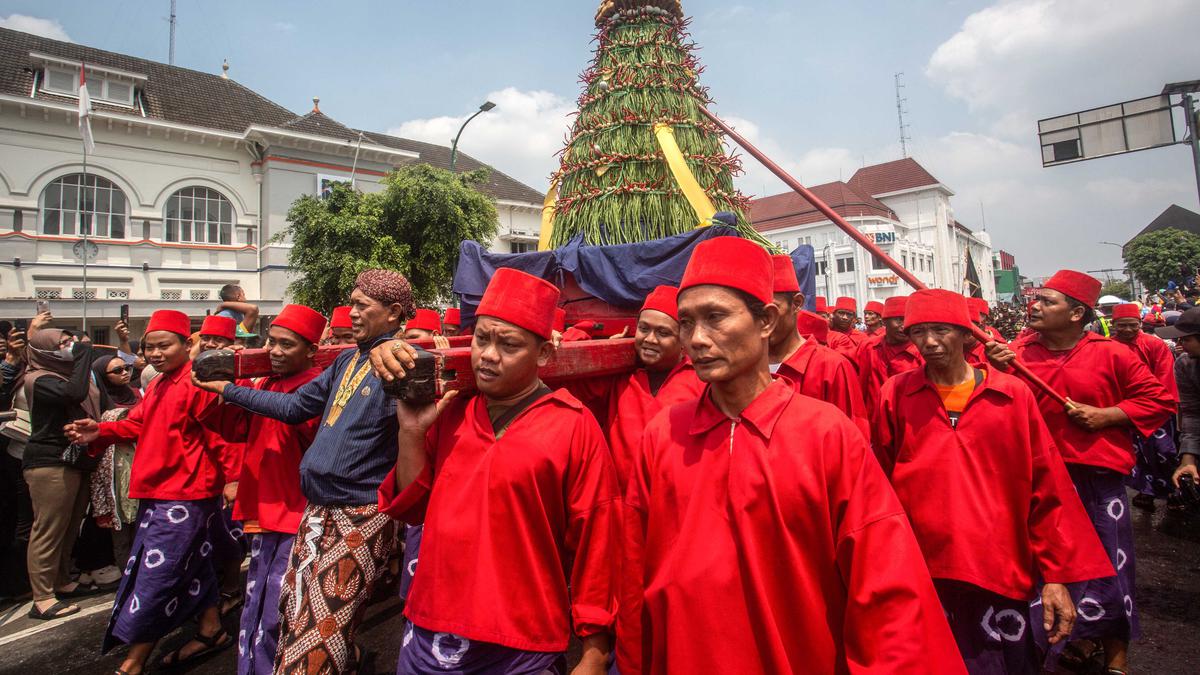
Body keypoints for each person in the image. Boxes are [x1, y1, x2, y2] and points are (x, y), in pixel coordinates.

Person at [622, 236, 965, 674]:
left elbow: (886, 586)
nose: (697, 339)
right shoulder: (663, 434)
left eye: (715, 318)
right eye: (686, 323)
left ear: (766, 320)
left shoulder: (826, 434)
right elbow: (636, 577)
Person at [373, 268, 620, 674]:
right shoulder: (453, 410)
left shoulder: (573, 425)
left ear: (543, 354)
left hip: (520, 641)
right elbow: (412, 508)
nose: (488, 355)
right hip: (429, 628)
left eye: (508, 345)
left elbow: (597, 540)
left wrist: (595, 652)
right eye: (481, 338)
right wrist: (412, 433)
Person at [876, 289, 1113, 674]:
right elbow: (880, 483)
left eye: (941, 330)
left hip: (999, 566)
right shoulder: (896, 393)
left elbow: (1047, 487)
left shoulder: (1011, 394)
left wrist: (1056, 576)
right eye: (918, 332)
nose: (929, 342)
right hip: (923, 565)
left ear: (967, 334)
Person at [193, 269, 412, 673]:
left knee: (319, 637)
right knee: (294, 615)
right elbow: (294, 408)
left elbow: (429, 359)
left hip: (358, 515)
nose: (353, 313)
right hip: (318, 510)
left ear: (394, 313)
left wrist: (404, 346)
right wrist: (228, 390)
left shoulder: (400, 363)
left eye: (363, 305)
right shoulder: (348, 358)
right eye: (353, 303)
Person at [986, 270, 1174, 675]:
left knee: (1110, 569)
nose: (1033, 306)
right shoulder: (1018, 352)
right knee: (1042, 573)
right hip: (1038, 479)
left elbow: (1158, 400)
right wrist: (995, 371)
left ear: (1076, 313)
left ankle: (1116, 662)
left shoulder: (1112, 354)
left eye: (1046, 301)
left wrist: (1108, 415)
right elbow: (997, 404)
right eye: (1035, 299)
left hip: (1095, 480)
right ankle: (1057, 651)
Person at [66, 310, 240, 673]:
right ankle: (210, 629)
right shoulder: (159, 383)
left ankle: (134, 660)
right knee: (194, 562)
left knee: (157, 573)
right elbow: (138, 423)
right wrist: (101, 431)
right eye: (150, 347)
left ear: (185, 344)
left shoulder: (199, 383)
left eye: (165, 346)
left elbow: (222, 435)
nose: (156, 354)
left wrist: (233, 478)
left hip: (189, 493)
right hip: (159, 491)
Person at [200, 305, 325, 675]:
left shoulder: (314, 387)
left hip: (295, 509)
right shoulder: (267, 381)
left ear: (311, 351)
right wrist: (224, 390)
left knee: (280, 608)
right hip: (263, 505)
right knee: (255, 603)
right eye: (271, 342)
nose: (275, 351)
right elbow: (237, 431)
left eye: (287, 345)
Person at [564, 285, 704, 490]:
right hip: (621, 506)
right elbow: (566, 385)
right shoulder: (619, 377)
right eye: (644, 328)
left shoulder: (700, 381)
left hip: (676, 501)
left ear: (683, 340)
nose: (649, 339)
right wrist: (597, 347)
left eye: (663, 332)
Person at [23, 329, 107, 620]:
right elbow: (74, 393)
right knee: (49, 529)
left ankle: (61, 581)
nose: (68, 347)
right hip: (49, 460)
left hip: (76, 458)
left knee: (70, 525)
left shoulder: (65, 374)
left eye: (70, 341)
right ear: (45, 351)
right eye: (61, 343)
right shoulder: (38, 379)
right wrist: (84, 353)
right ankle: (42, 596)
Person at [767, 255, 869, 439]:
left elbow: (853, 443)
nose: (763, 320)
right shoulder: (743, 366)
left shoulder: (830, 367)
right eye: (753, 310)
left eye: (773, 309)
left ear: (796, 304)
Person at [1111, 303, 1179, 510]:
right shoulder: (1107, 347)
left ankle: (1175, 492)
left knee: (1164, 452)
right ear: (1114, 325)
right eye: (1122, 326)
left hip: (1154, 409)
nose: (1128, 330)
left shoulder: (1155, 345)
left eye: (1132, 325)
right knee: (1136, 456)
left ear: (1140, 324)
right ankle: (1146, 492)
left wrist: (1161, 406)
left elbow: (1165, 378)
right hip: (1123, 410)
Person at [89, 353, 143, 571]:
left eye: (127, 368)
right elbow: (99, 478)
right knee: (121, 538)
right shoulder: (100, 402)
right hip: (116, 478)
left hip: (140, 471)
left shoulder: (138, 394)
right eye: (117, 371)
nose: (125, 374)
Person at [857, 295, 922, 418]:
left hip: (908, 419)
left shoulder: (920, 352)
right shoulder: (869, 347)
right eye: (899, 319)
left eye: (908, 320)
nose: (904, 325)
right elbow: (861, 385)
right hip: (873, 418)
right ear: (884, 321)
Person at [1165, 307, 1200, 489]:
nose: (1180, 344)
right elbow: (1193, 413)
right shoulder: (1185, 364)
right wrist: (1188, 457)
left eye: (1186, 339)